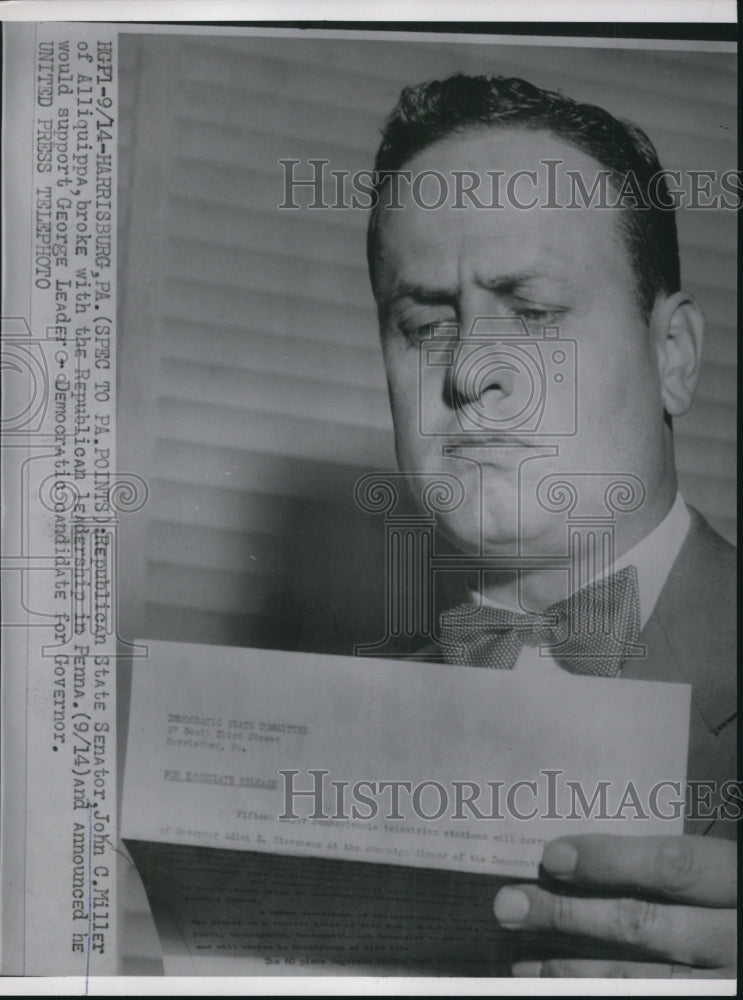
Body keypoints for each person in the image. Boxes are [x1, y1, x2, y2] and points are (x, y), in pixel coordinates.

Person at [365, 73, 736, 978]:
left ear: (672, 357)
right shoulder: (346, 718)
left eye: (530, 314)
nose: (469, 374)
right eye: (424, 325)